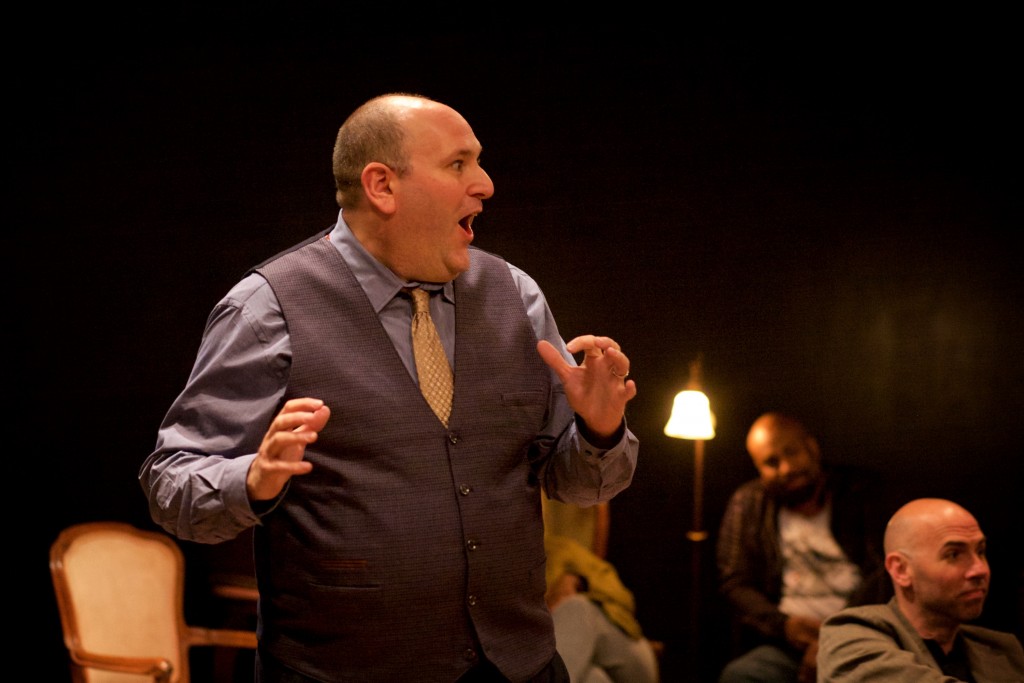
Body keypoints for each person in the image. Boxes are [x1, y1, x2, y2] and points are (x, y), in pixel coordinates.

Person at [139, 93, 640, 683]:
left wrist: (599, 432)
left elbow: (578, 485)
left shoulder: (517, 297)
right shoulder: (267, 309)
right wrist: (251, 479)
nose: (485, 184)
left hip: (517, 667)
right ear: (382, 185)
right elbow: (170, 485)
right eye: (458, 164)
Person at [715, 411, 890, 683]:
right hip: (788, 643)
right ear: (758, 469)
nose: (786, 468)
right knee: (740, 675)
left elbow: (883, 571)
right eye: (771, 462)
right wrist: (784, 626)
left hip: (863, 634)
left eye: (791, 452)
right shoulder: (749, 502)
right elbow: (735, 582)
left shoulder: (859, 492)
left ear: (812, 447)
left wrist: (837, 635)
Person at [817, 497, 1024, 681]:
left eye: (980, 551)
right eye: (953, 554)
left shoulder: (1002, 649)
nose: (980, 570)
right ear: (901, 570)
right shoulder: (851, 636)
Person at [542, 496, 659, 683]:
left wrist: (578, 581)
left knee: (577, 607)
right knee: (594, 678)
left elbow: (625, 599)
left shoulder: (563, 551)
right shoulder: (505, 579)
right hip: (579, 666)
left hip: (627, 651)